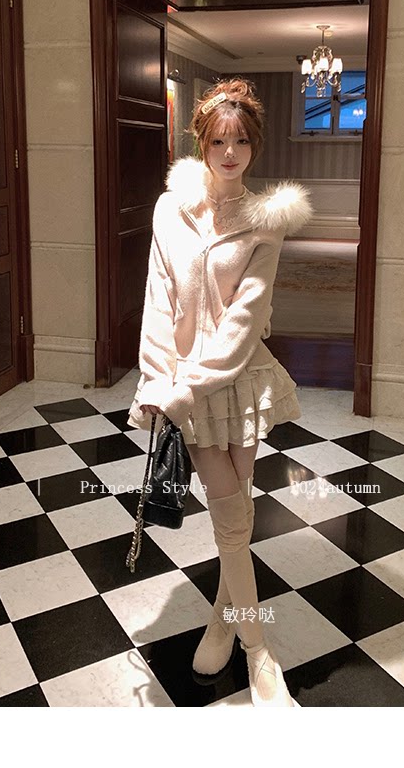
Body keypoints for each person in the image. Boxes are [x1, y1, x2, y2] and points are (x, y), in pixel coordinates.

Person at [127, 77, 313, 707]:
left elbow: (244, 321)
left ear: (254, 146)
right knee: (230, 511)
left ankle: (230, 624)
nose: (229, 153)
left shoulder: (265, 223)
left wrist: (190, 385)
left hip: (239, 377)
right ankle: (257, 648)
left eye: (241, 142)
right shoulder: (170, 210)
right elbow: (158, 299)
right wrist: (160, 380)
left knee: (236, 508)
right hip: (186, 382)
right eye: (217, 141)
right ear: (201, 143)